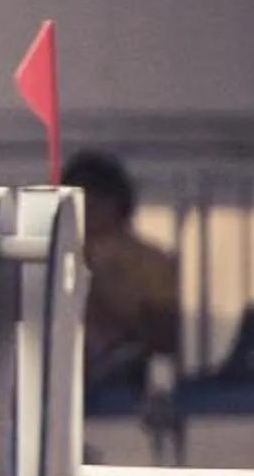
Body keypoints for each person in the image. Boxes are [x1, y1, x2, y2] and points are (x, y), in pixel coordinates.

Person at [61, 149, 183, 405]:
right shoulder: (55, 258)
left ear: (117, 202)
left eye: (95, 198)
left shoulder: (150, 262)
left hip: (127, 368)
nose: (87, 208)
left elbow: (165, 338)